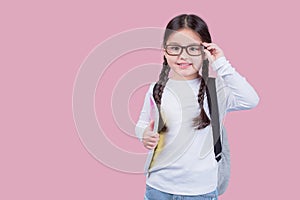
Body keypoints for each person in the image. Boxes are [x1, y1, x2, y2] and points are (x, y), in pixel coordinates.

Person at [135, 14, 259, 200]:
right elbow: (142, 122)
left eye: (193, 48)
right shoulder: (157, 89)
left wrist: (221, 63)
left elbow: (250, 100)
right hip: (158, 187)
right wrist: (143, 134)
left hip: (200, 190)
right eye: (175, 48)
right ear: (164, 51)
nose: (183, 56)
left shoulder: (218, 89)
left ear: (205, 51)